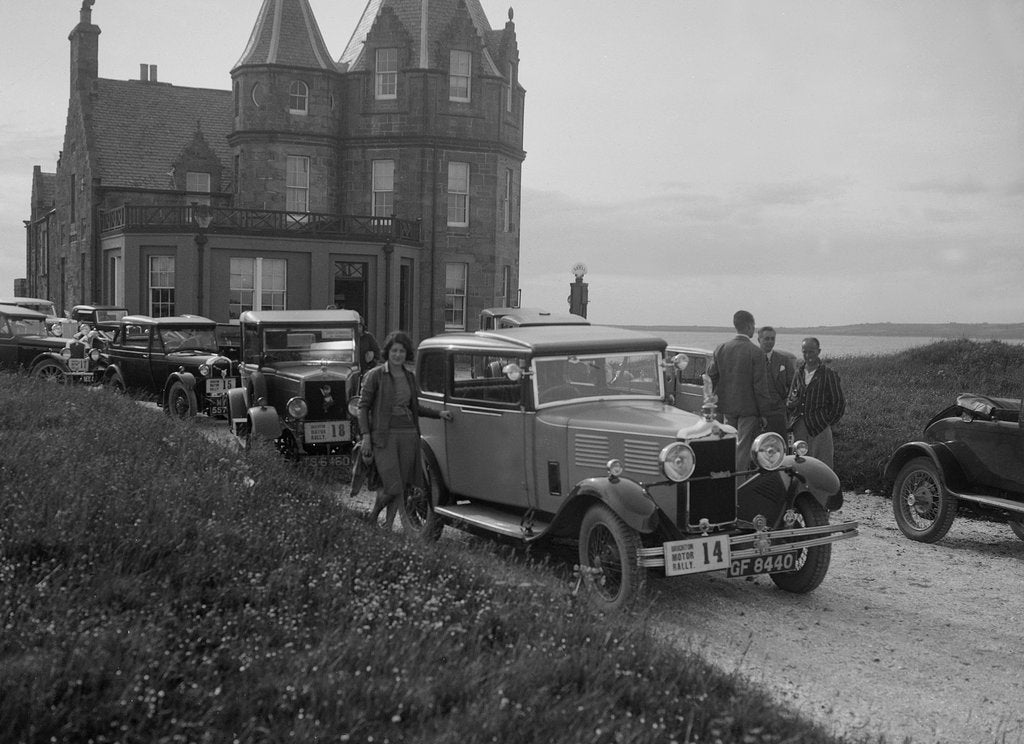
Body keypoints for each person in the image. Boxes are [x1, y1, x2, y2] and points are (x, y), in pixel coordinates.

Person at [356, 331, 452, 528]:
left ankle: (388, 526)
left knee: (401, 485)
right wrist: (366, 436)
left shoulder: (409, 377)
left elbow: (415, 407)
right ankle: (373, 518)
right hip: (384, 437)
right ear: (387, 352)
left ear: (406, 353)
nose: (398, 355)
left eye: (401, 351)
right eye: (394, 350)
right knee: (392, 485)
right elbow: (362, 406)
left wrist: (439, 414)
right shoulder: (375, 375)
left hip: (408, 435)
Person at [707, 310, 773, 473]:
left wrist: (717, 395)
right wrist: (764, 413)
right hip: (748, 409)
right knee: (743, 448)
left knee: (728, 444)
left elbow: (711, 375)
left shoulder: (721, 348)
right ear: (749, 326)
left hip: (727, 407)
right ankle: (739, 485)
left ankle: (726, 479)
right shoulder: (756, 352)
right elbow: (760, 387)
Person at [787, 337, 845, 469]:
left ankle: (822, 490)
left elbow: (839, 403)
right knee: (800, 464)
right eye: (805, 352)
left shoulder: (828, 374)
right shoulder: (799, 373)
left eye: (811, 352)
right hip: (799, 427)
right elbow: (790, 398)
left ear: (818, 351)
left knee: (823, 466)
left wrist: (826, 422)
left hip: (820, 428)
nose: (808, 356)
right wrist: (792, 404)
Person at [758, 326, 797, 439]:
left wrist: (788, 405)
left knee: (780, 444)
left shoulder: (783, 360)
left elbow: (793, 385)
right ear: (759, 340)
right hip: (757, 412)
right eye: (766, 339)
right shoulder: (752, 359)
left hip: (778, 412)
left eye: (772, 339)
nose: (770, 341)